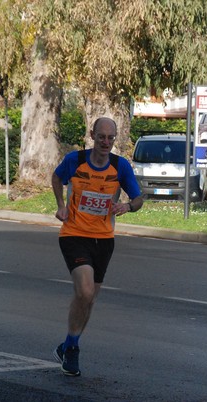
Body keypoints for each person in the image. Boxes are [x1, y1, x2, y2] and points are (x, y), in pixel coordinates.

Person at [51, 116, 144, 377]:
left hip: (104, 239)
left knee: (89, 298)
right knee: (85, 290)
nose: (105, 142)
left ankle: (69, 345)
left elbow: (138, 198)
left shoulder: (120, 166)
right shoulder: (75, 160)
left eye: (110, 137)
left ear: (115, 139)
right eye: (101, 136)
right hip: (73, 234)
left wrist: (127, 206)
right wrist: (60, 205)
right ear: (92, 135)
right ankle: (72, 351)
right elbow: (57, 179)